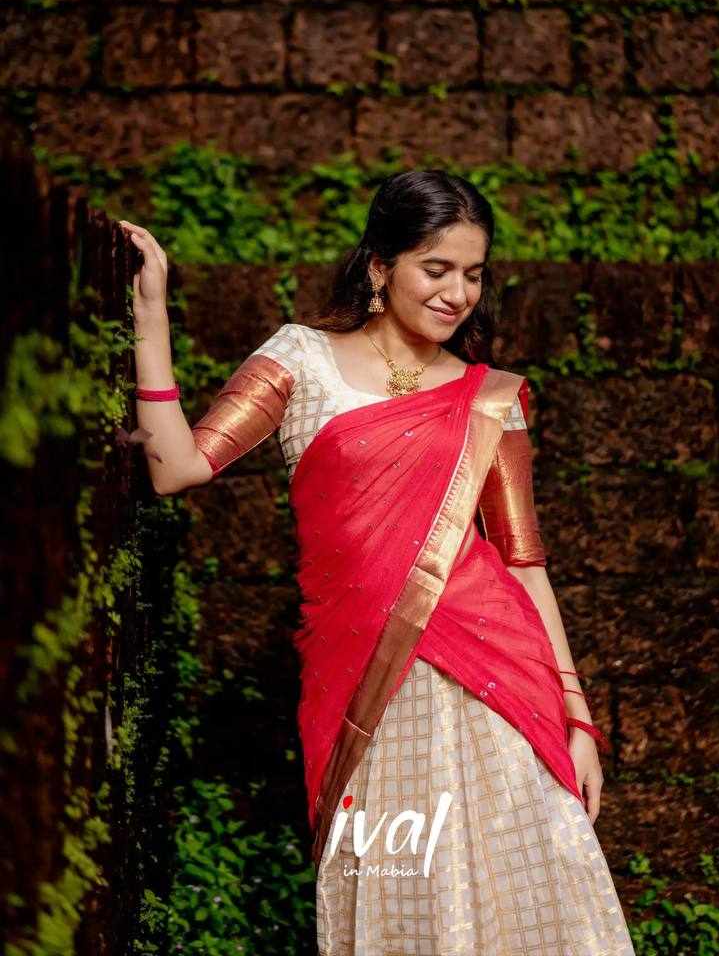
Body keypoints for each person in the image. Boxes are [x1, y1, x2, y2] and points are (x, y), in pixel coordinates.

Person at [120, 168, 634, 955]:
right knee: (403, 886)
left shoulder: (488, 398)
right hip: (366, 685)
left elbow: (523, 564)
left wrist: (576, 719)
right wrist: (150, 315)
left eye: (473, 274)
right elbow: (176, 467)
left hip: (500, 685)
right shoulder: (300, 360)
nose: (457, 293)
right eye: (436, 269)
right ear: (378, 267)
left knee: (535, 888)